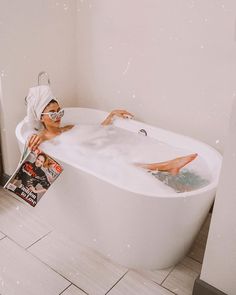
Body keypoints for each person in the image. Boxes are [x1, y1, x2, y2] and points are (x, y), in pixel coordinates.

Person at [26, 85, 197, 175]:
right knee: (119, 163)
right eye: (53, 114)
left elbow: (97, 131)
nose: (59, 116)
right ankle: (166, 167)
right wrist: (32, 141)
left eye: (60, 112)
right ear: (41, 117)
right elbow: (35, 155)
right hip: (91, 162)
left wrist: (111, 116)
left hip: (97, 153)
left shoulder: (68, 128)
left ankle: (162, 168)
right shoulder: (43, 138)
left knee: (122, 154)